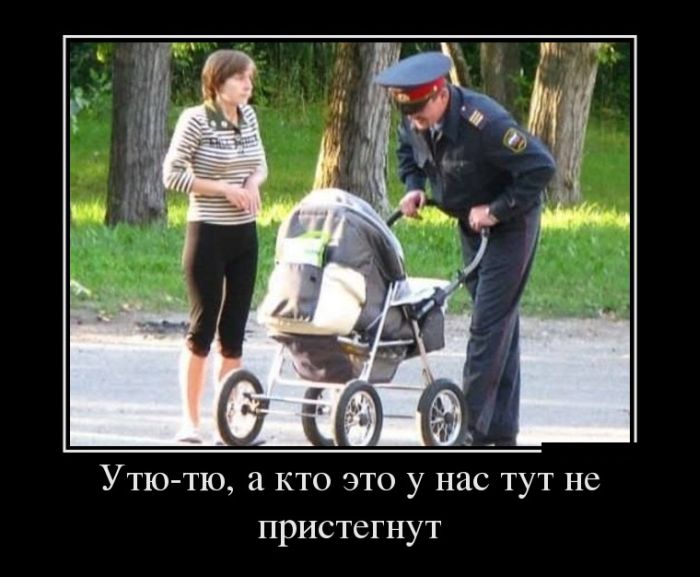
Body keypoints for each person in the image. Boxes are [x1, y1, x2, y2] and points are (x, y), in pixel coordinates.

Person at [375, 52, 556, 446]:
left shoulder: (485, 123)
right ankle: (500, 431)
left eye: (420, 113)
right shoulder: (415, 119)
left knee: (487, 326)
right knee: (500, 325)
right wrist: (414, 187)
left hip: (512, 224)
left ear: (441, 94)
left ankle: (465, 430)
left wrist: (496, 210)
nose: (414, 122)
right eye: (409, 115)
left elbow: (541, 167)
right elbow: (408, 153)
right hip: (470, 225)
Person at [163, 49, 267, 444]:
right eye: (239, 78)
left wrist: (252, 183)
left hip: (245, 236)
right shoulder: (196, 119)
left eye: (249, 79)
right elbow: (172, 175)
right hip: (207, 233)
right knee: (202, 328)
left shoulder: (249, 117)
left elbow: (261, 164)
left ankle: (230, 424)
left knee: (235, 330)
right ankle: (190, 423)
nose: (247, 85)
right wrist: (223, 189)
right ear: (217, 81)